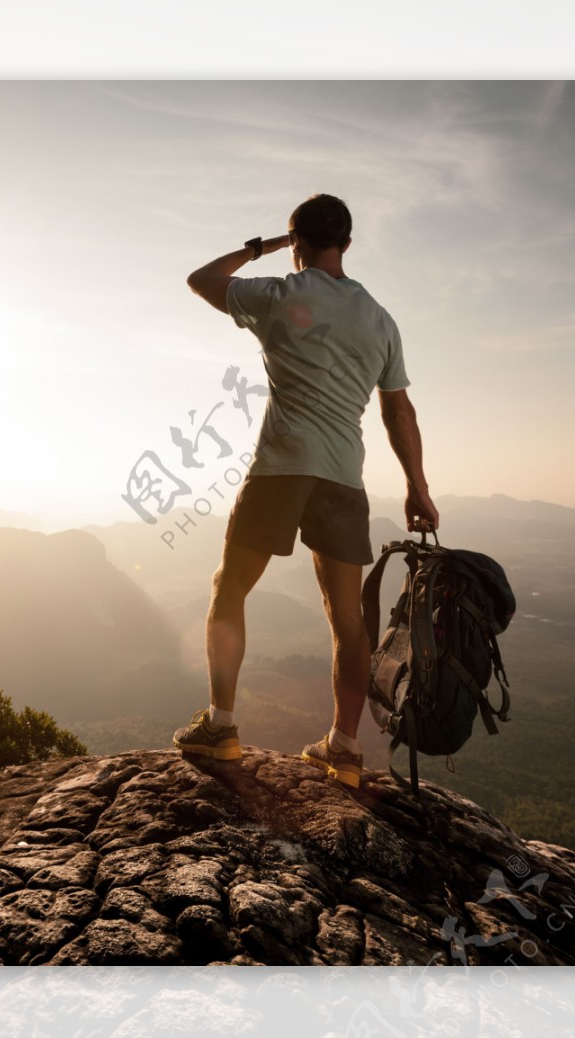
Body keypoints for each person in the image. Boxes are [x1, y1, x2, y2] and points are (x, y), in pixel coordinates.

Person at [171, 193, 439, 788]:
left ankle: (221, 727)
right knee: (347, 618)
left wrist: (258, 248)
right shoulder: (380, 319)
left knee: (229, 588)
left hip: (282, 467)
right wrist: (417, 488)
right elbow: (400, 413)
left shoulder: (280, 295)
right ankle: (344, 749)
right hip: (345, 474)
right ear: (346, 241)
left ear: (297, 240)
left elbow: (200, 279)